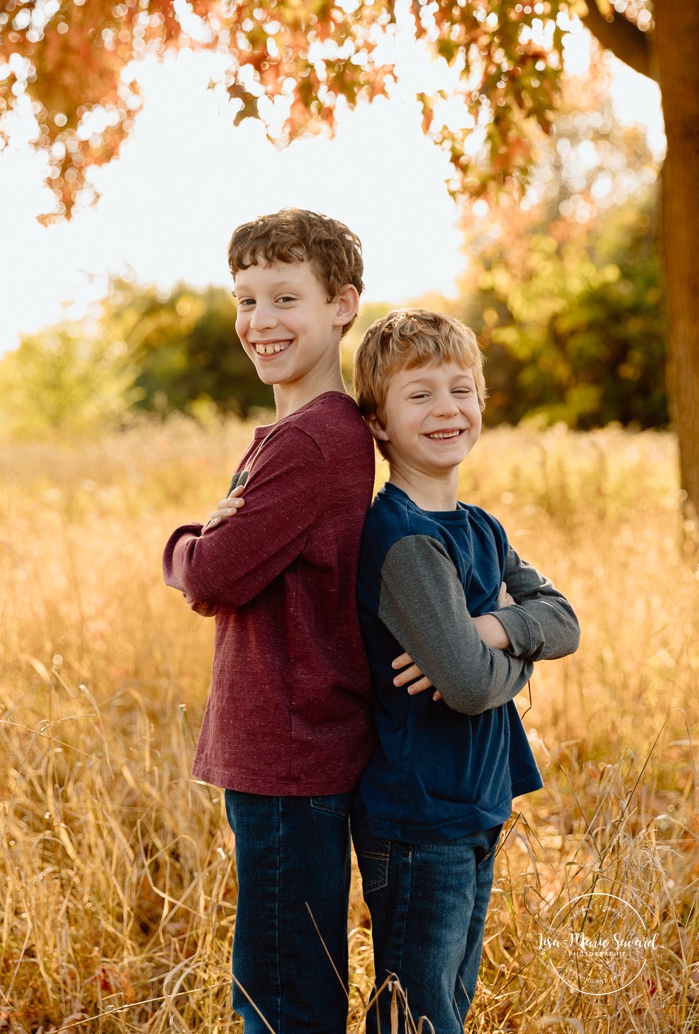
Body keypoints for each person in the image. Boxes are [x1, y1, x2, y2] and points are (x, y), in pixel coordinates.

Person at [162, 208, 377, 1034]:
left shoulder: (314, 441)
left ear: (342, 305)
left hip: (290, 754)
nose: (259, 323)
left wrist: (186, 539)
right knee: (282, 975)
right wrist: (213, 542)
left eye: (284, 298)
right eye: (245, 300)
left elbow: (213, 571)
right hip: (284, 751)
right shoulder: (301, 433)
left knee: (281, 998)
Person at [351, 308, 580, 1033]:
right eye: (419, 395)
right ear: (379, 423)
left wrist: (489, 629)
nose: (447, 409)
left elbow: (565, 622)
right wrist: (515, 652)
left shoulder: (479, 526)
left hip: (474, 801)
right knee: (416, 1016)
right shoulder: (405, 539)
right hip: (419, 816)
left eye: (461, 389)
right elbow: (471, 684)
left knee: (447, 1001)